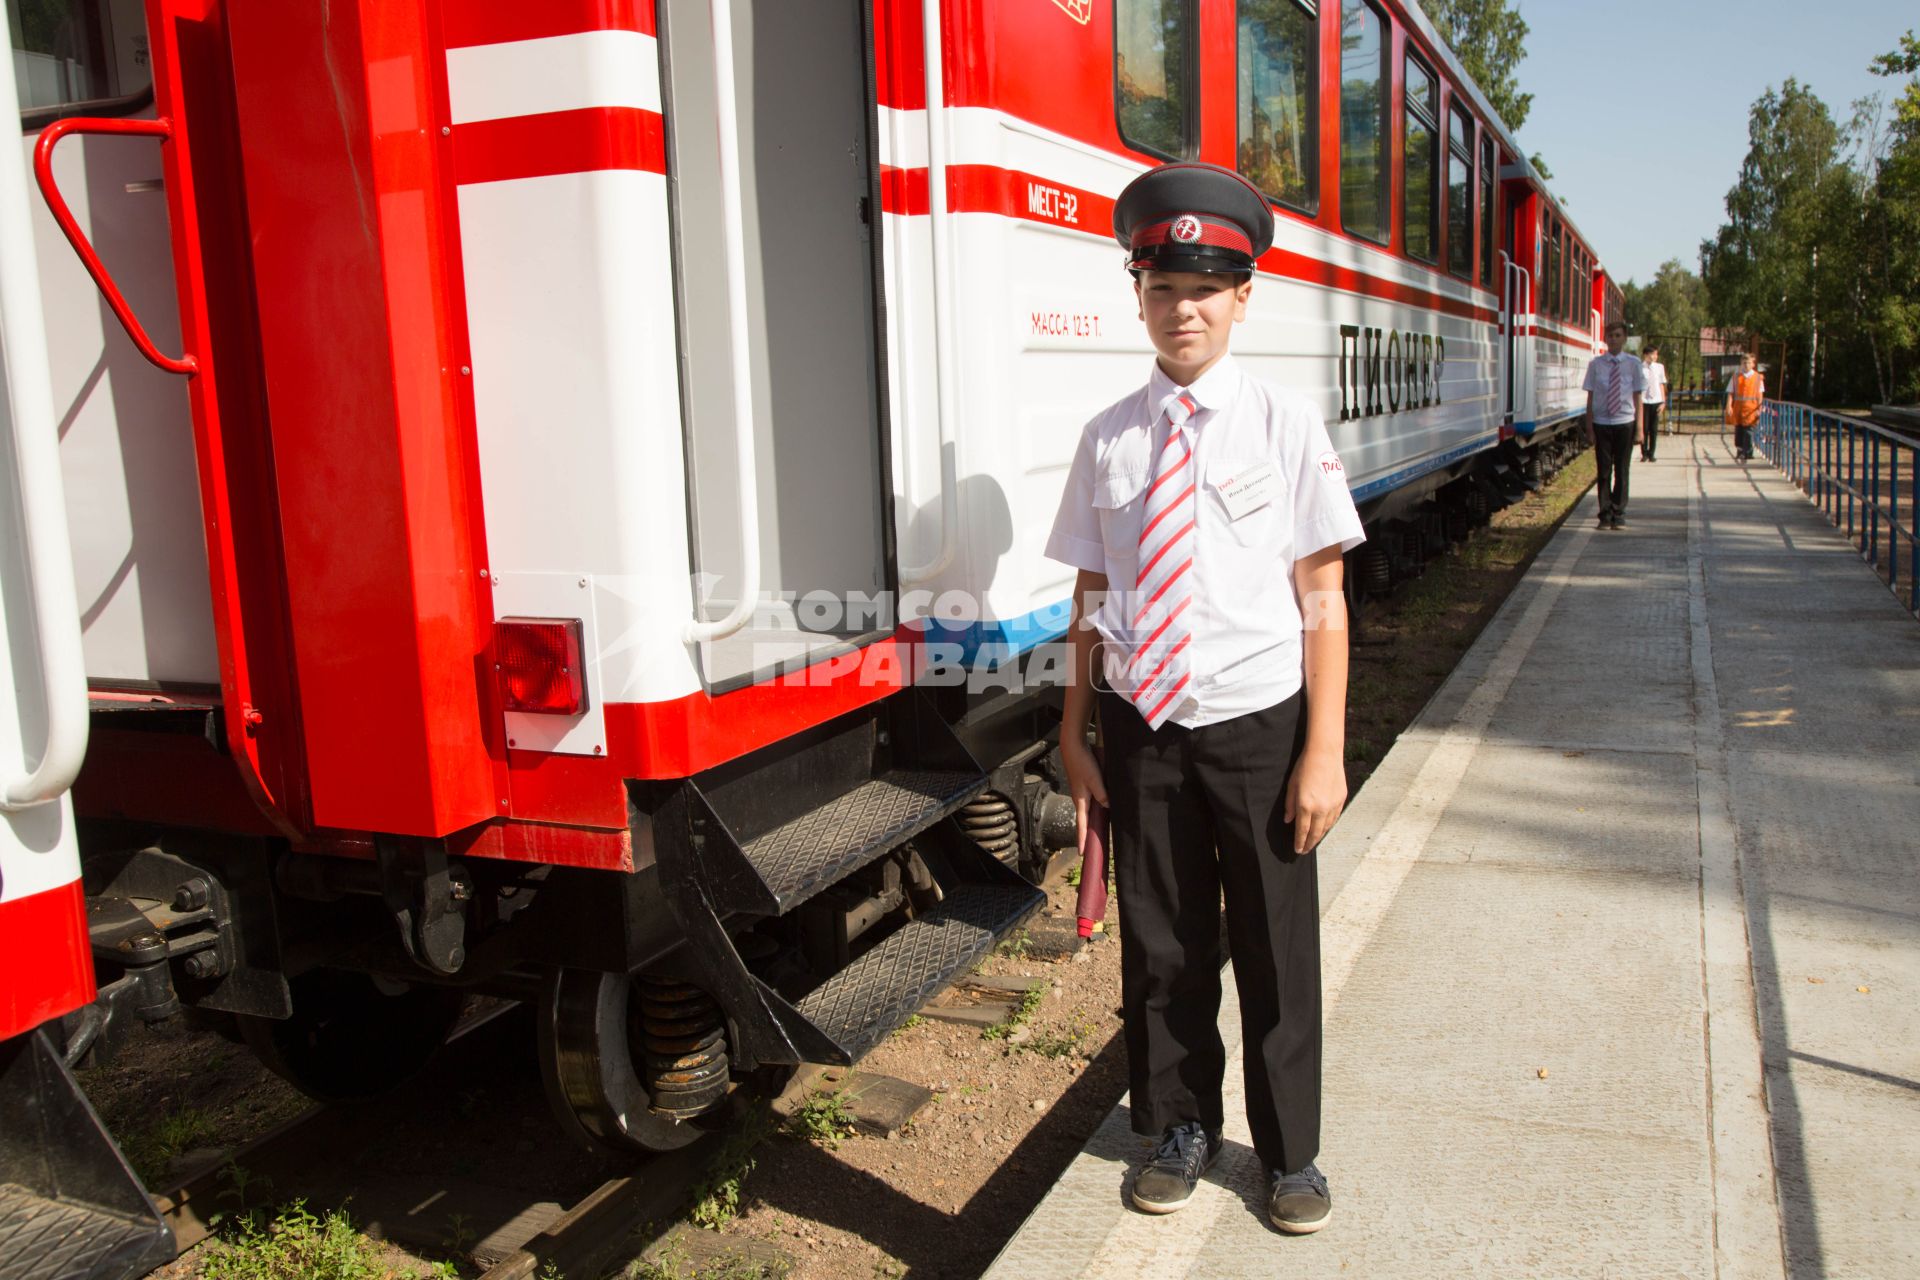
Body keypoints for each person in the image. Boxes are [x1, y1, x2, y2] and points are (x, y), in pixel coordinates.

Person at [1045, 161, 1364, 1237]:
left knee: (1276, 942)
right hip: (1146, 728)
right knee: (1165, 940)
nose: (1184, 308)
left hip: (1259, 725)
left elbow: (1322, 595)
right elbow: (1091, 593)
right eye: (1163, 286)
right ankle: (1179, 1125)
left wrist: (1324, 750)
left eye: (1207, 288)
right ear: (1137, 295)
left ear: (1242, 298)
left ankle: (1290, 1153)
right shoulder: (1109, 437)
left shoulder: (1281, 424)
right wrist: (1073, 728)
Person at [1581, 322, 1644, 529]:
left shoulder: (1634, 364)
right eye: (1610, 336)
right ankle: (1604, 514)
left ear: (1625, 338)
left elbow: (1638, 397)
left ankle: (1619, 512)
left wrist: (1640, 428)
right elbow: (1590, 396)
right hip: (1602, 422)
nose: (1613, 339)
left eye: (1617, 335)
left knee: (1622, 469)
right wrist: (1589, 427)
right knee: (1604, 470)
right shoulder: (1596, 364)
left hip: (1625, 421)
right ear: (1605, 339)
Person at [1725, 353, 1764, 461]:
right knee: (1739, 430)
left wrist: (1759, 409)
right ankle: (1740, 450)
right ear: (1741, 364)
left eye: (1749, 363)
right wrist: (1729, 406)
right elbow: (1730, 392)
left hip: (1751, 408)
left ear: (1753, 364)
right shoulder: (1736, 376)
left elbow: (1760, 395)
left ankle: (1747, 452)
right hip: (1738, 408)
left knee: (1748, 431)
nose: (1746, 365)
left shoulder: (1757, 377)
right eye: (1744, 363)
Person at [1639, 345, 1668, 462]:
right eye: (1653, 354)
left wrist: (1663, 402)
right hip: (1644, 401)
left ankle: (1652, 453)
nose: (1655, 356)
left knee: (1654, 429)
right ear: (1646, 355)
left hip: (1656, 401)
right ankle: (1644, 453)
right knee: (1644, 429)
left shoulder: (1659, 367)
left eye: (1656, 354)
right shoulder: (1639, 368)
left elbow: (1661, 384)